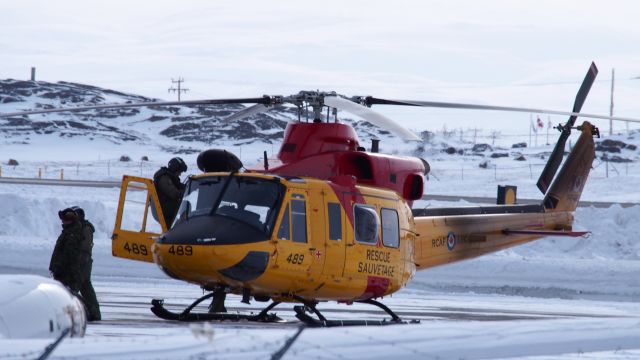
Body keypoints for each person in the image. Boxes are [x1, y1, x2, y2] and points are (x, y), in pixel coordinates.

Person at [49, 207, 101, 321]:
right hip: (79, 266)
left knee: (71, 291)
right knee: (82, 289)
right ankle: (92, 313)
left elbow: (76, 252)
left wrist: (73, 268)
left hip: (80, 266)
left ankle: (80, 313)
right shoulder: (72, 230)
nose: (65, 221)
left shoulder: (80, 230)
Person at [72, 206, 101, 321]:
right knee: (85, 288)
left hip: (82, 263)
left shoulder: (85, 229)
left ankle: (71, 312)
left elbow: (84, 248)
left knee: (74, 288)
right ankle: (93, 312)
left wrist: (78, 262)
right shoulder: (79, 228)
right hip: (82, 262)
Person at [153, 157, 187, 227]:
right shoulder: (164, 178)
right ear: (174, 169)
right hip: (164, 209)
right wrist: (186, 192)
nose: (180, 174)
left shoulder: (170, 177)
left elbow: (180, 186)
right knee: (187, 207)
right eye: (179, 172)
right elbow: (174, 194)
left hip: (166, 206)